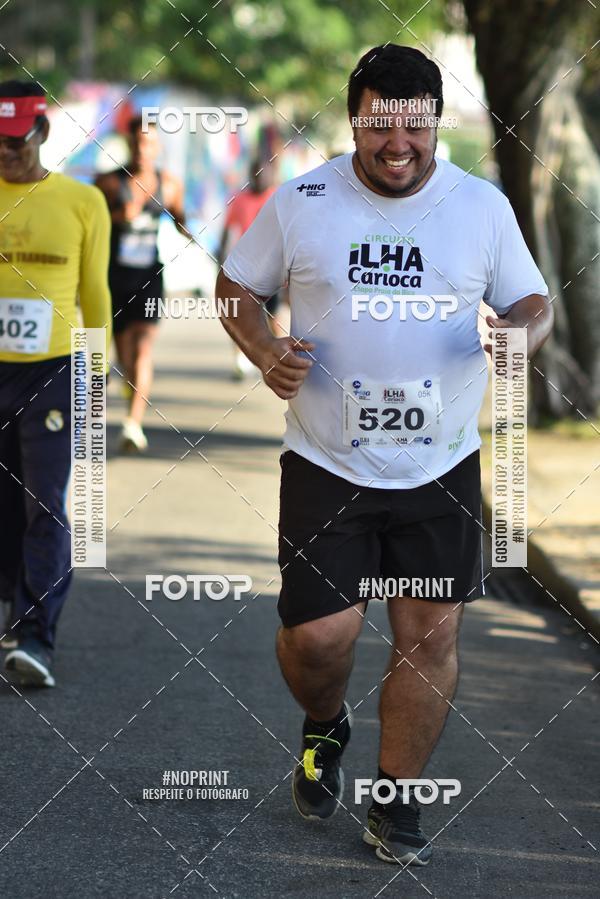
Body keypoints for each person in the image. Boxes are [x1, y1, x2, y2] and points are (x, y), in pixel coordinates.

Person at [217, 45, 553, 865]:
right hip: (327, 462)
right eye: (379, 126)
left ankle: (396, 805)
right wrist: (265, 351)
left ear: (435, 122)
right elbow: (235, 288)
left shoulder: (480, 207)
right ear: (354, 122)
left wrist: (521, 335)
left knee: (428, 639)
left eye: (413, 125)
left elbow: (532, 298)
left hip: (441, 465)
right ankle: (325, 721)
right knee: (317, 641)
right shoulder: (303, 201)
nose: (396, 143)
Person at [0, 80, 111, 685]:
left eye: (15, 143)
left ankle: (36, 637)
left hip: (53, 370)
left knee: (45, 500)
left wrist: (95, 375)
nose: (5, 154)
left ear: (41, 133)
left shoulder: (82, 202)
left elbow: (96, 295)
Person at [95, 116, 186, 452]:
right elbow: (92, 224)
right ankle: (129, 391)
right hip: (115, 277)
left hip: (149, 278)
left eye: (148, 143)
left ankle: (133, 425)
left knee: (144, 349)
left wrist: (187, 227)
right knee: (126, 355)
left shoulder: (170, 184)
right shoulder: (107, 183)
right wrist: (120, 217)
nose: (142, 150)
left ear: (158, 146)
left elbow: (180, 218)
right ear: (128, 144)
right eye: (136, 143)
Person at [217, 159, 284, 379]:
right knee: (240, 313)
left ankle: (281, 358)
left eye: (263, 174)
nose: (259, 178)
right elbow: (227, 230)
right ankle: (239, 360)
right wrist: (220, 259)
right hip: (247, 267)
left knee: (274, 317)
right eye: (255, 174)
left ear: (271, 175)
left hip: (275, 267)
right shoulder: (239, 199)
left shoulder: (280, 197)